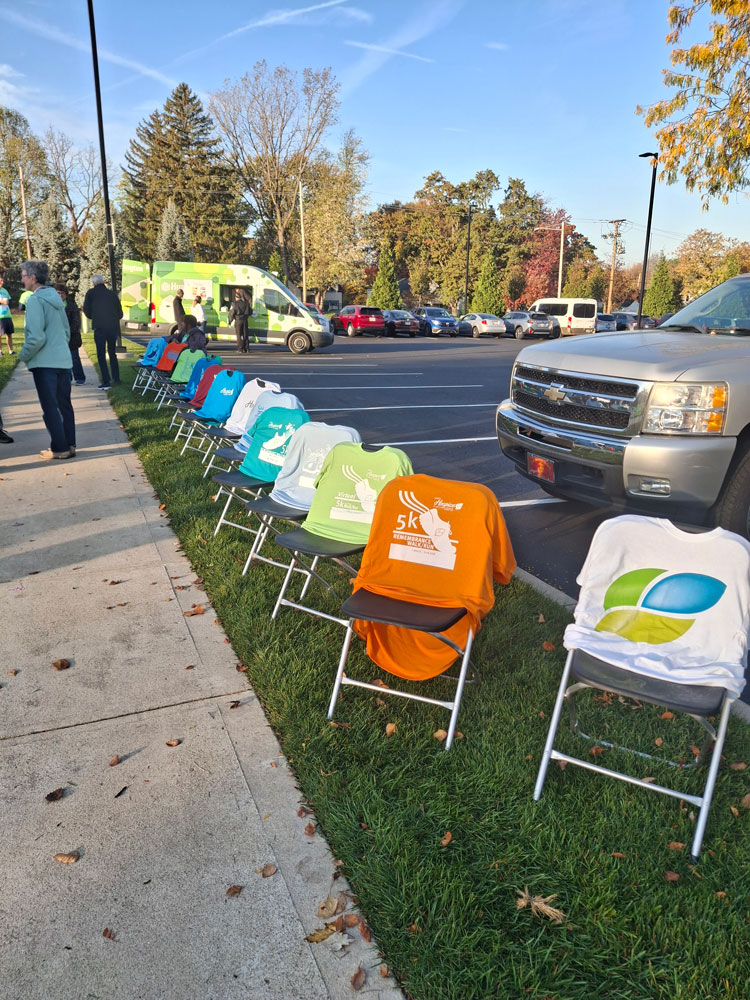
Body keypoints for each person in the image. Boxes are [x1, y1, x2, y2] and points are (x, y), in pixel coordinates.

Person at [18, 260, 76, 460]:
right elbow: (66, 332)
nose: (22, 278)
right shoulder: (56, 299)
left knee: (50, 407)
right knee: (64, 404)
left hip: (45, 363)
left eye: (24, 275)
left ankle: (59, 449)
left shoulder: (35, 301)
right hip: (63, 360)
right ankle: (70, 444)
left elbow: (36, 337)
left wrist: (23, 355)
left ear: (33, 278)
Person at [82, 273, 123, 389]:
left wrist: (94, 317)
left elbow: (86, 310)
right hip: (112, 326)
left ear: (94, 283)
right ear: (103, 282)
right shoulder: (112, 294)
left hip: (99, 327)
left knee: (101, 354)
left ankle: (106, 381)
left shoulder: (91, 293)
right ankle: (116, 378)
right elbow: (120, 312)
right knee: (112, 352)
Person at [54, 283, 84, 385]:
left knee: (74, 357)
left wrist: (67, 332)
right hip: (57, 337)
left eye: (62, 293)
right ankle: (67, 378)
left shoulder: (71, 305)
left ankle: (80, 378)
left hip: (71, 336)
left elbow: (76, 322)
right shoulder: (52, 306)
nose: (60, 296)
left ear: (66, 295)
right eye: (58, 293)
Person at [228, 288, 252, 353]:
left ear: (236, 298)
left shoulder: (234, 304)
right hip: (245, 320)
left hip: (238, 320)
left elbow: (232, 313)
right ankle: (247, 348)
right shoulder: (246, 303)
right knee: (245, 334)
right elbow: (250, 312)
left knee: (239, 335)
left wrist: (230, 321)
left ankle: (240, 349)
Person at [0, 274, 15, 355]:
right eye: (1, 280)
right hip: (0, 317)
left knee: (9, 334)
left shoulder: (5, 290)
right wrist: (3, 301)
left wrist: (3, 301)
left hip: (7, 315)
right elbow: (4, 302)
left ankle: (11, 351)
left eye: (2, 280)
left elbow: (8, 301)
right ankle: (0, 351)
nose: (2, 282)